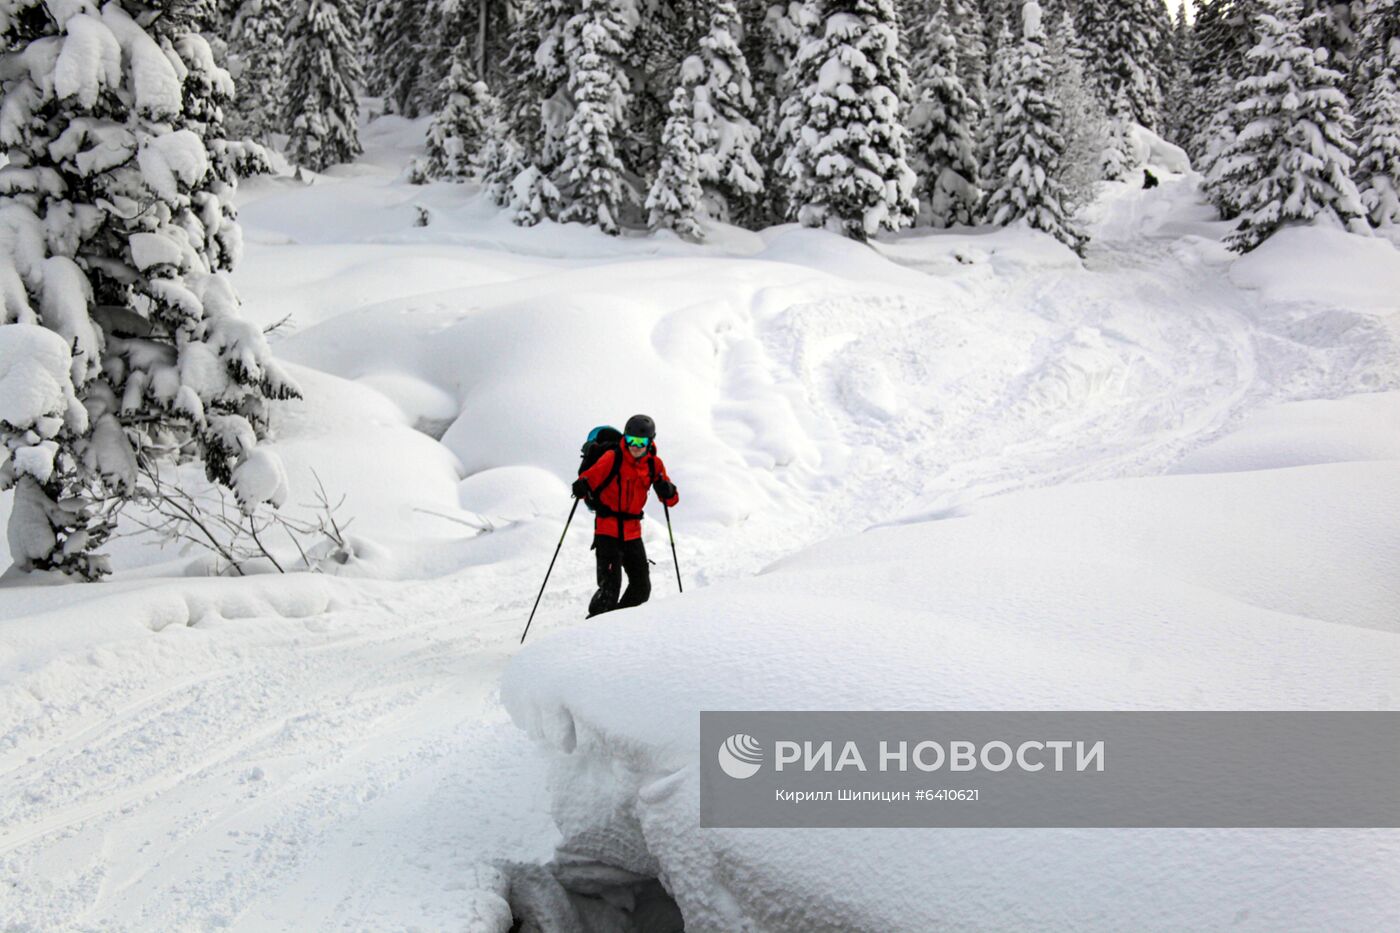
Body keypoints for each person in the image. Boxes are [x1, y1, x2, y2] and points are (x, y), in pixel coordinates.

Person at [571, 414, 679, 617]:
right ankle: (592, 630)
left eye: (641, 442)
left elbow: (671, 500)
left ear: (650, 442)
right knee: (609, 593)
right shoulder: (612, 457)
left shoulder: (654, 465)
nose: (635, 446)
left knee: (641, 590)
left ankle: (619, 627)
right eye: (631, 440)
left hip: (632, 533)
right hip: (607, 531)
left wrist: (668, 491)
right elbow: (589, 479)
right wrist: (581, 486)